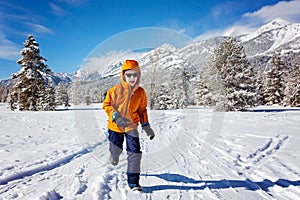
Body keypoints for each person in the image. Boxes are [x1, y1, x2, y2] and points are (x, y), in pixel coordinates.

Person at [103, 59, 155, 191]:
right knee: (116, 149)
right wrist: (115, 115)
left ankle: (133, 182)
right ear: (123, 75)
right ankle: (114, 155)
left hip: (132, 127)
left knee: (135, 152)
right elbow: (107, 105)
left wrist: (146, 125)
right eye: (129, 75)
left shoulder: (141, 92)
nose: (132, 78)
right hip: (115, 127)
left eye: (135, 75)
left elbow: (142, 110)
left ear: (138, 75)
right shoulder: (115, 90)